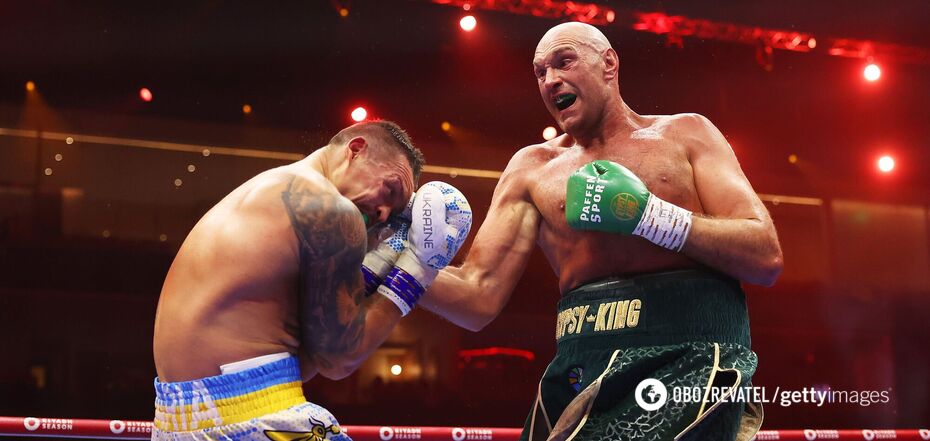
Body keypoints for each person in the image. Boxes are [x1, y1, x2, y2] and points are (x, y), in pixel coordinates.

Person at [420, 22, 783, 441]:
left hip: (692, 358)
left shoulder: (687, 134)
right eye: (540, 72)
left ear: (608, 63)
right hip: (581, 367)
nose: (550, 80)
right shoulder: (532, 168)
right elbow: (477, 294)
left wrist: (650, 217)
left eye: (564, 62)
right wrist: (392, 263)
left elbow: (764, 255)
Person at [152, 121, 472, 441]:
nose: (385, 214)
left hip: (173, 422)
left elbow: (309, 355)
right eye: (389, 189)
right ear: (356, 150)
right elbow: (338, 360)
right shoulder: (331, 209)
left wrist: (378, 263)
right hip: (254, 413)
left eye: (394, 209)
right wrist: (417, 269)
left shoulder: (270, 188)